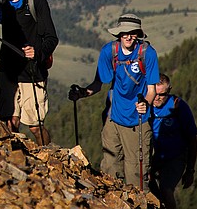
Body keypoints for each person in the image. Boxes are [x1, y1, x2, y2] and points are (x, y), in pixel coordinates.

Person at [69, 13, 160, 189]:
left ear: (138, 34)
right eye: (124, 32)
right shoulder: (109, 52)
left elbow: (151, 90)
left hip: (138, 119)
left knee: (136, 173)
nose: (128, 36)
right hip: (113, 116)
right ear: (118, 34)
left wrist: (146, 104)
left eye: (132, 33)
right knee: (110, 169)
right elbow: (98, 83)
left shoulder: (147, 54)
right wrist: (81, 93)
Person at [0, 0, 59, 145]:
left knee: (35, 126)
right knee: (9, 122)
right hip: (8, 70)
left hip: (32, 71)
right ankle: (15, 160)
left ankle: (47, 158)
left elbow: (51, 38)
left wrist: (37, 52)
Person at [148, 73, 197, 209]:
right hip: (157, 156)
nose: (157, 98)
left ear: (169, 90)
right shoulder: (147, 104)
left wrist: (190, 170)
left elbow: (192, 139)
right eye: (155, 93)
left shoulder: (179, 107)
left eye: (162, 94)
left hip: (176, 157)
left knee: (166, 189)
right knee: (146, 182)